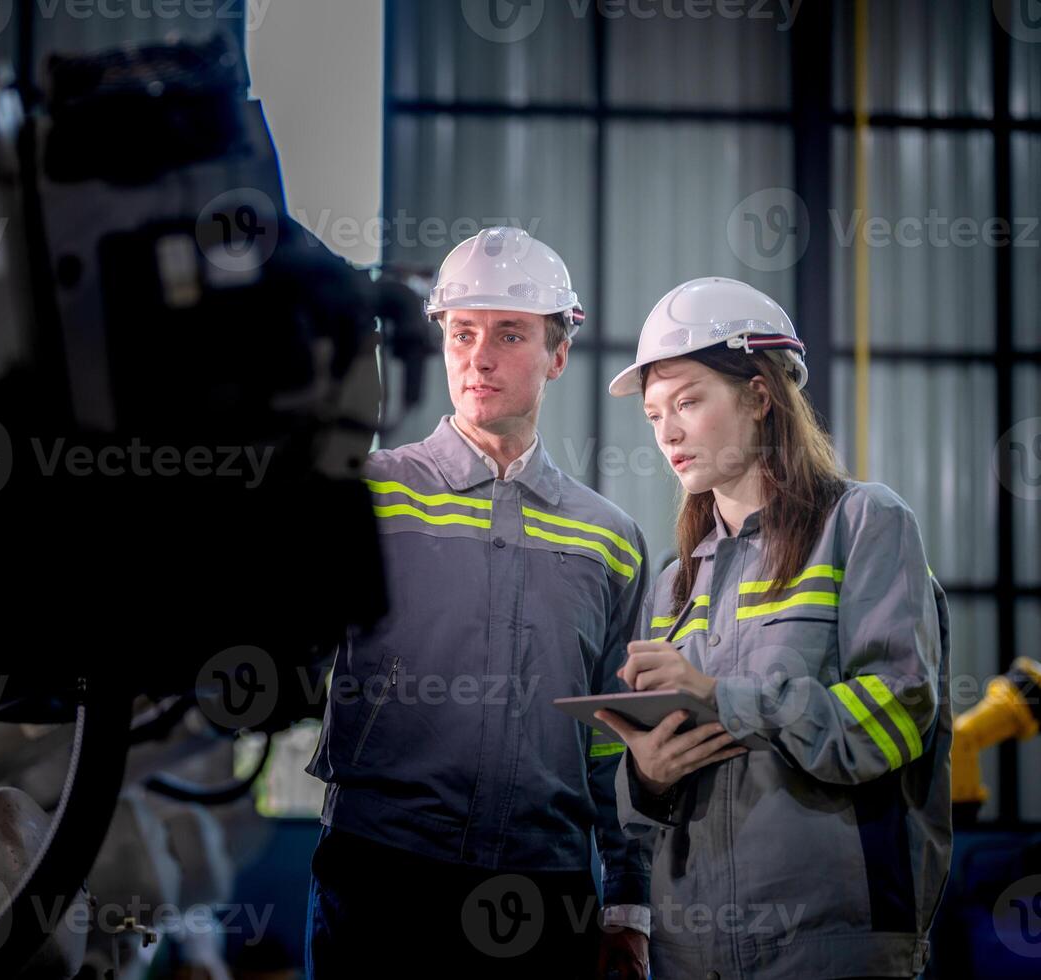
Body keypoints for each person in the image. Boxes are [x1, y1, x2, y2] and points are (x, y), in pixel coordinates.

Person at [304, 228, 651, 978]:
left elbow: (615, 745)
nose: (478, 355)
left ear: (558, 354)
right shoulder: (368, 494)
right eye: (462, 333)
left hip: (547, 890)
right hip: (382, 877)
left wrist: (625, 900)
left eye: (510, 334)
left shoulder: (609, 540)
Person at [593, 277, 952, 980]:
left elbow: (899, 716)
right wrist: (647, 776)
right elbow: (640, 812)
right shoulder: (675, 580)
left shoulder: (864, 525)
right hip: (690, 953)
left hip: (832, 946)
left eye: (688, 403)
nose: (666, 433)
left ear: (760, 396)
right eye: (655, 414)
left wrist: (725, 696)